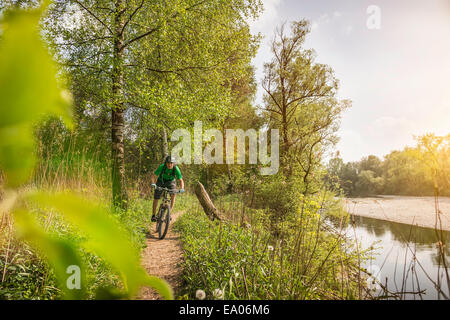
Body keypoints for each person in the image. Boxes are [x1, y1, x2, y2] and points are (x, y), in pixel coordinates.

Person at [150, 155, 185, 222]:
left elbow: (181, 180)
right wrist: (153, 183)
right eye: (168, 163)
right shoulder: (162, 167)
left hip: (171, 182)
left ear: (173, 164)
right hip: (161, 181)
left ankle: (169, 214)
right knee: (156, 197)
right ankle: (153, 215)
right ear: (166, 163)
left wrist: (182, 188)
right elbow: (154, 175)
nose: (169, 165)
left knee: (173, 194)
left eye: (171, 163)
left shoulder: (176, 168)